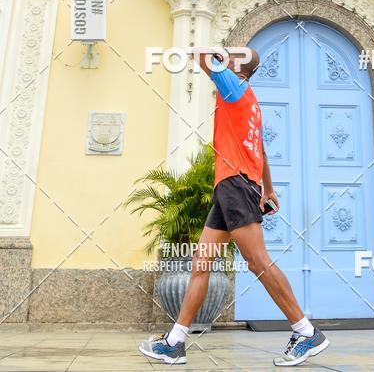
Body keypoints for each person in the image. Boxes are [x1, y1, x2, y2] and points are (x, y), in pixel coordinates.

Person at [138, 47, 329, 367]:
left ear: (238, 65)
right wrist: (268, 189)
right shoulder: (250, 100)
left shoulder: (234, 86)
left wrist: (219, 52)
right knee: (202, 263)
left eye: (232, 54)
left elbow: (200, 55)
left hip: (236, 185)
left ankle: (306, 331)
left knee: (258, 262)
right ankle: (175, 342)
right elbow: (262, 151)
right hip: (234, 186)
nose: (225, 56)